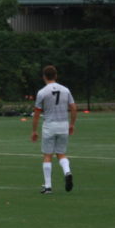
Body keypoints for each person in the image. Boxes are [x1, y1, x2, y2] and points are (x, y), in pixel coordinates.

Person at [30, 65, 77, 194]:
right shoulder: (65, 90)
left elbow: (37, 114)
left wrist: (34, 131)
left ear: (44, 77)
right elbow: (74, 108)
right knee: (61, 154)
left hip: (49, 126)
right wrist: (72, 124)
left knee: (47, 155)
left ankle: (48, 186)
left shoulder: (42, 92)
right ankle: (67, 171)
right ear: (56, 76)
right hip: (63, 125)